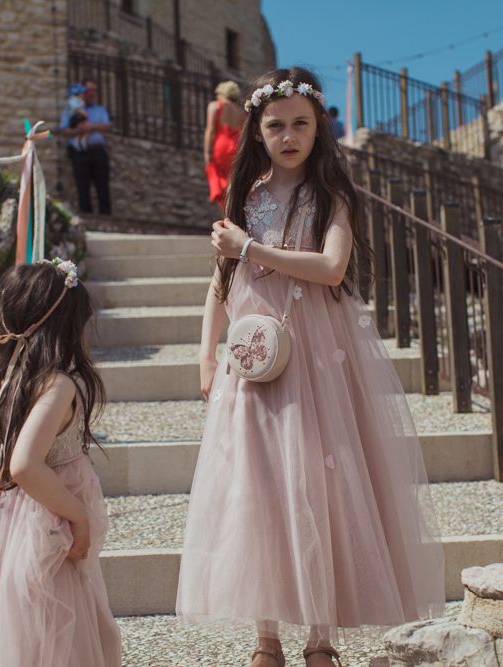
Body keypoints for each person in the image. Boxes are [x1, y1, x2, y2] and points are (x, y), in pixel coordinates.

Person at [176, 67, 445, 667]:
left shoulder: (332, 197)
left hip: (318, 358)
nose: (289, 135)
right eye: (276, 125)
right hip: (254, 359)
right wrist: (204, 354)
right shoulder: (244, 197)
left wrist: (249, 248)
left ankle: (320, 638)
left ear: (319, 128)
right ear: (257, 131)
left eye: (301, 123)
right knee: (260, 484)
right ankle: (265, 636)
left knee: (319, 483)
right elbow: (221, 284)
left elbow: (329, 268)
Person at [0, 259, 122, 667]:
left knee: (15, 634)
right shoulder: (59, 384)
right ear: (65, 327)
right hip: (48, 531)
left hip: (7, 530)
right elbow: (25, 466)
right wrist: (79, 517)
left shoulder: (3, 381)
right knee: (57, 630)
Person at [59, 79, 112, 215]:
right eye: (90, 90)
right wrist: (79, 131)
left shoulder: (100, 110)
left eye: (95, 90)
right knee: (82, 185)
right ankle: (86, 216)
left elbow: (106, 126)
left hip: (97, 150)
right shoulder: (70, 110)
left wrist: (90, 127)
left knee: (102, 184)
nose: (92, 93)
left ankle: (106, 215)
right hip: (80, 152)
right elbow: (64, 130)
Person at [204, 80, 245, 213]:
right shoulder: (242, 112)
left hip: (221, 147)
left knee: (220, 182)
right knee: (234, 182)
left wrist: (207, 153)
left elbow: (210, 130)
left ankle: (227, 217)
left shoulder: (216, 106)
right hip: (237, 147)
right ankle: (237, 215)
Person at [64, 82, 89, 151]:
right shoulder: (73, 101)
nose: (83, 95)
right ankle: (78, 142)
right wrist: (84, 113)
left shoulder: (80, 101)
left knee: (84, 130)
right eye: (82, 93)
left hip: (80, 117)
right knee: (81, 129)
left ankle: (82, 141)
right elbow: (76, 109)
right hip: (76, 118)